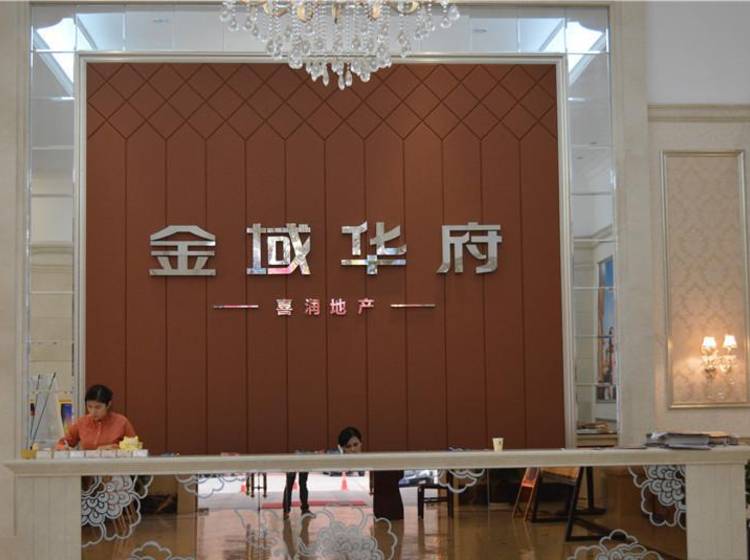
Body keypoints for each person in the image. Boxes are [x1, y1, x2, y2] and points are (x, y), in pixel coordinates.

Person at [337, 426, 403, 521]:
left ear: (361, 443)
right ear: (342, 448)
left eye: (355, 445)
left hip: (389, 506)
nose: (353, 449)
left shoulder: (379, 458)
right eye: (348, 446)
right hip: (381, 509)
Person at [57, 384, 137, 450]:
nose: (93, 412)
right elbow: (62, 443)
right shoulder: (82, 422)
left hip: (114, 463)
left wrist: (117, 448)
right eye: (89, 406)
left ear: (108, 405)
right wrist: (63, 448)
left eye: (98, 407)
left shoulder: (121, 422)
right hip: (87, 464)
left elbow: (135, 447)